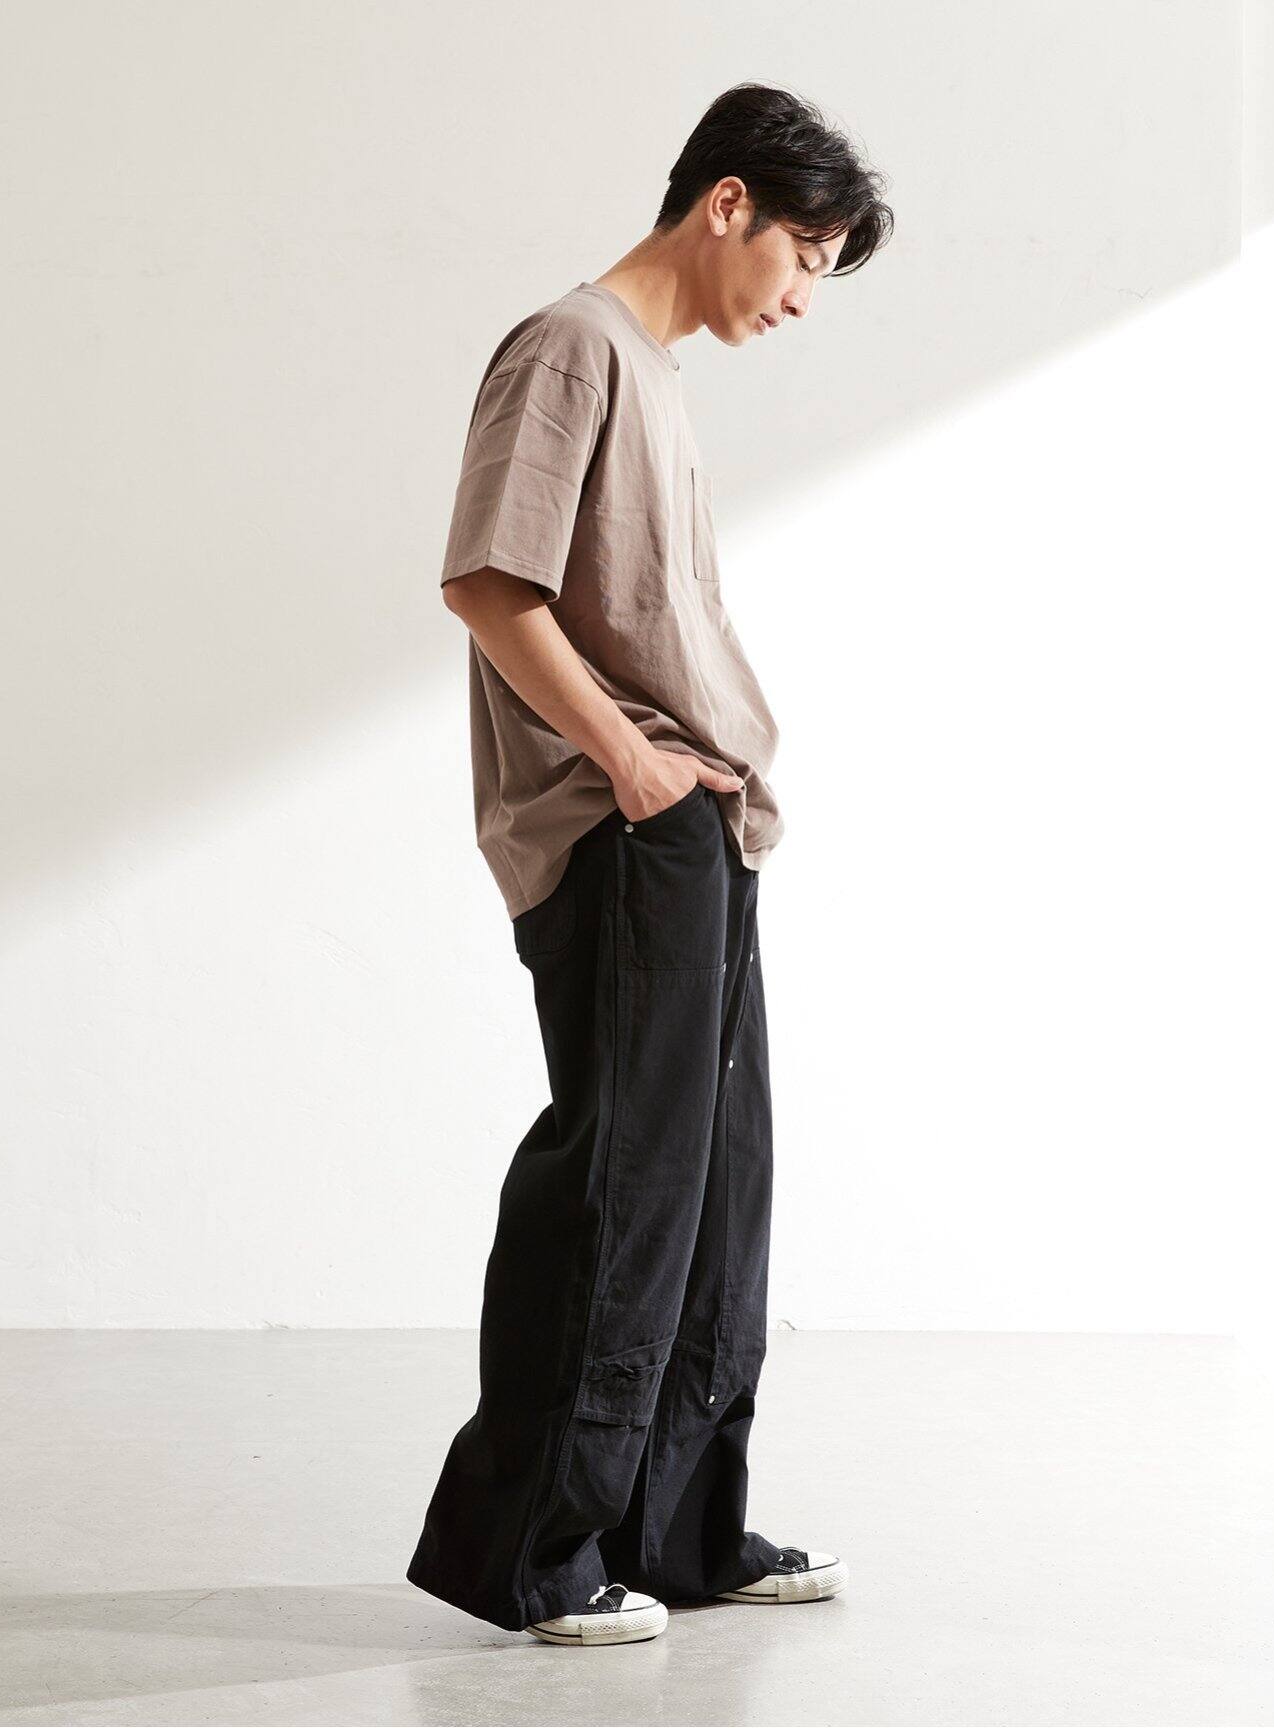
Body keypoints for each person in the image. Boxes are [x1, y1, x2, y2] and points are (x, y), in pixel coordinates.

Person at [406, 82, 893, 1647]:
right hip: (628, 826)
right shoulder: (572, 347)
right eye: (804, 256)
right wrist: (629, 764)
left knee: (715, 1191)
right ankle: (532, 1551)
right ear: (726, 204)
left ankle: (679, 1529)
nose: (802, 298)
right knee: (623, 1180)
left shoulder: (648, 372)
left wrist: (689, 791)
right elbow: (490, 582)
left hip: (697, 827)